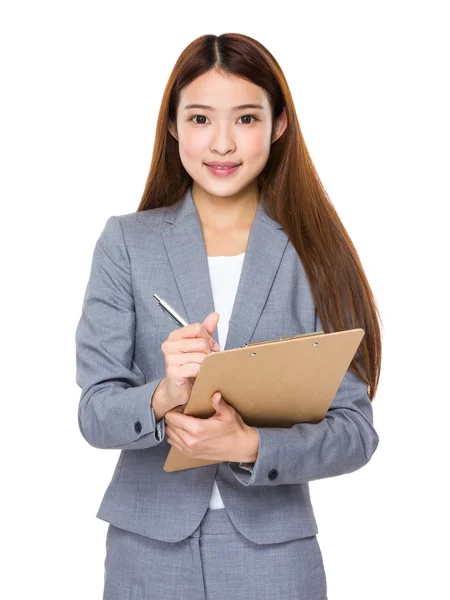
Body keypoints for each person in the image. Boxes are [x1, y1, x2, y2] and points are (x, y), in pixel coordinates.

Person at [75, 32, 381, 600]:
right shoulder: (127, 244)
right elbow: (94, 413)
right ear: (172, 126)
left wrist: (250, 446)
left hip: (275, 554)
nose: (221, 143)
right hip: (148, 552)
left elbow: (355, 432)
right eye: (198, 119)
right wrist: (163, 395)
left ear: (279, 124)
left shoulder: (314, 250)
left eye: (244, 118)